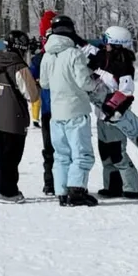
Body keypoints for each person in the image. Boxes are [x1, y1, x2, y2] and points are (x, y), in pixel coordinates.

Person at [40, 14, 99, 205]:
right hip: (76, 110)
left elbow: (45, 83)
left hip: (56, 114)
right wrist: (94, 80)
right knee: (81, 152)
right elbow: (84, 83)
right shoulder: (74, 53)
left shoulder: (47, 56)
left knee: (61, 154)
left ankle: (62, 192)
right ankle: (77, 190)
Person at [90, 24, 138, 199]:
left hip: (115, 117)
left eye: (106, 41)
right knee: (105, 153)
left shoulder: (124, 66)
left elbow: (126, 91)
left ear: (117, 44)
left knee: (117, 153)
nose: (104, 45)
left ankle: (132, 188)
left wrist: (116, 109)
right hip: (100, 115)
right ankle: (113, 186)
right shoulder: (104, 59)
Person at [0, 31, 39, 200]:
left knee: (3, 155)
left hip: (0, 115)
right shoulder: (20, 67)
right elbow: (32, 95)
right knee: (13, 156)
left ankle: (2, 186)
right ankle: (8, 191)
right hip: (15, 117)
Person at [30, 10, 56, 194]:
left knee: (49, 149)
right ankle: (72, 183)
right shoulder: (72, 54)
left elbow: (30, 80)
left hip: (48, 109)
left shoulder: (39, 58)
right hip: (69, 109)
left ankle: (50, 182)